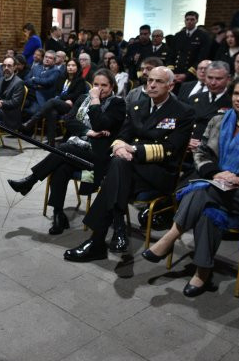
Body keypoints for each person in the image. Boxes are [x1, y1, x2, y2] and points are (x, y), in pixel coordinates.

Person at [143, 74, 239, 295]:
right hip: (216, 185)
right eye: (236, 93)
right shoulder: (218, 121)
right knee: (209, 210)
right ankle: (202, 272)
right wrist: (217, 173)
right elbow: (202, 153)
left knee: (203, 190)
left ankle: (171, 236)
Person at [64, 67, 194, 260]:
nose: (151, 84)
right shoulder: (137, 105)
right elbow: (123, 135)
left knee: (115, 171)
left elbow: (170, 149)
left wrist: (131, 149)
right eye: (149, 80)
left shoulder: (182, 112)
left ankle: (107, 235)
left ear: (171, 85)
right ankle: (109, 234)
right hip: (129, 167)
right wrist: (119, 147)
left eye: (158, 81)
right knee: (118, 166)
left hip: (159, 172)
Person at [8, 69, 127, 234]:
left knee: (63, 149)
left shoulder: (117, 103)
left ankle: (31, 180)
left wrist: (94, 100)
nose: (99, 89)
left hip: (99, 155)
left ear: (112, 85)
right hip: (78, 148)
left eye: (104, 85)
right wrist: (88, 132)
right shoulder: (82, 98)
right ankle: (58, 215)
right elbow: (69, 121)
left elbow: (100, 123)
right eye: (96, 85)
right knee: (61, 166)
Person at [21, 58, 87, 147]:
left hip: (71, 106)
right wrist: (61, 98)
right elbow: (56, 91)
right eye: (68, 65)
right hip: (59, 103)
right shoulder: (62, 78)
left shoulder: (80, 81)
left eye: (73, 65)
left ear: (78, 68)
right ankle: (51, 143)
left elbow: (76, 96)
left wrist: (61, 98)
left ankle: (31, 121)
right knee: (52, 112)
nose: (70, 67)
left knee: (52, 101)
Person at [187, 60, 232, 144]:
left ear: (228, 79)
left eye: (218, 79)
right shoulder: (194, 98)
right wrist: (187, 140)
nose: (213, 83)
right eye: (210, 77)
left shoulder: (233, 102)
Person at [169, 11, 213, 83]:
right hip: (175, 73)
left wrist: (187, 74)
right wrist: (171, 71)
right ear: (184, 21)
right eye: (187, 19)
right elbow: (171, 54)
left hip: (191, 74)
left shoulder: (203, 36)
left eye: (192, 19)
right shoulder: (178, 35)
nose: (189, 22)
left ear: (197, 20)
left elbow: (202, 57)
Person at [24, 50, 62, 117]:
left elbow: (47, 82)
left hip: (41, 98)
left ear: (54, 61)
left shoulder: (56, 71)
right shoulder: (36, 68)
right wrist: (37, 85)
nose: (47, 59)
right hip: (29, 95)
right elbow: (26, 80)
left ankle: (27, 127)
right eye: (46, 57)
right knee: (17, 106)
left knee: (31, 112)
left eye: (50, 58)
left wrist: (34, 78)